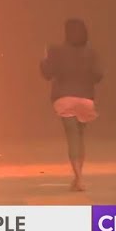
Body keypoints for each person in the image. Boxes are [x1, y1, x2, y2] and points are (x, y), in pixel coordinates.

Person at [40, 19, 103, 191]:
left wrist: (45, 59)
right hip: (85, 99)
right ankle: (78, 177)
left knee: (72, 137)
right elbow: (98, 76)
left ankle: (78, 178)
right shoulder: (91, 53)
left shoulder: (56, 51)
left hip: (64, 99)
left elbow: (47, 73)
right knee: (80, 137)